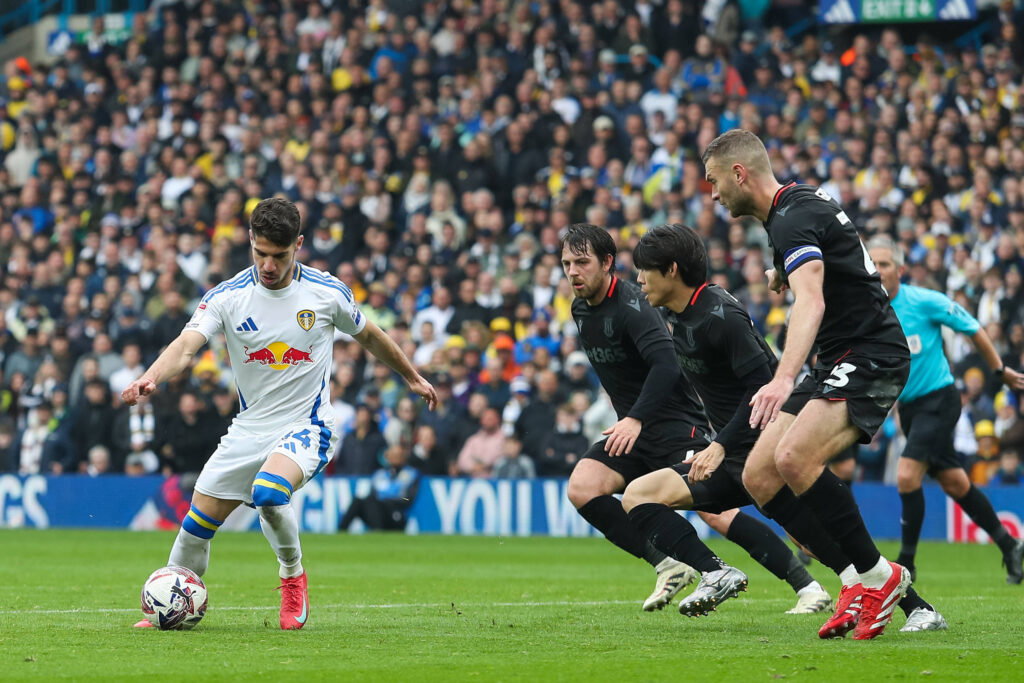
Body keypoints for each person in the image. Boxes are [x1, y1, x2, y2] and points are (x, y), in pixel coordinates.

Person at [122, 198, 437, 630]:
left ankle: (292, 576)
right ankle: (167, 609)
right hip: (248, 429)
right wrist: (151, 376)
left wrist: (412, 376)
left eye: (279, 255)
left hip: (307, 425)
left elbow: (370, 336)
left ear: (298, 245)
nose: (268, 265)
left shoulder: (326, 293)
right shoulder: (228, 296)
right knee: (195, 526)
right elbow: (186, 346)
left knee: (269, 492)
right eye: (261, 253)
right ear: (251, 240)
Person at [702, 129, 912, 640]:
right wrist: (780, 271)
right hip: (837, 357)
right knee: (759, 475)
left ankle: (880, 576)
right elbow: (820, 256)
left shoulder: (791, 220)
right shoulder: (795, 206)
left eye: (713, 181)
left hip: (870, 352)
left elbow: (812, 300)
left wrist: (781, 378)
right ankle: (855, 580)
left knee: (794, 457)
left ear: (739, 174)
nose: (712, 195)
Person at [622, 224, 833, 616]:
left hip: (767, 453)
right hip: (733, 454)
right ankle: (715, 572)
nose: (639, 279)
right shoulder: (679, 316)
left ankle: (910, 603)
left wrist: (719, 445)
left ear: (671, 270)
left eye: (644, 270)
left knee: (823, 544)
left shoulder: (720, 315)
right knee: (639, 495)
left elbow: (764, 387)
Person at [561, 223, 748, 613]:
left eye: (581, 262)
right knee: (583, 486)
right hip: (634, 431)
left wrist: (636, 418)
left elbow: (666, 365)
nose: (573, 272)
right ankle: (671, 565)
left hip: (673, 424)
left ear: (607, 262)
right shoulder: (580, 309)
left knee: (722, 510)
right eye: (566, 264)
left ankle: (805, 583)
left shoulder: (634, 304)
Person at [867, 236, 1024, 584]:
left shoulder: (924, 301)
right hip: (910, 409)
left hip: (939, 400)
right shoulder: (868, 311)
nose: (877, 271)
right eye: (872, 264)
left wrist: (999, 370)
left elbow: (973, 327)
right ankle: (1009, 543)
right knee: (955, 483)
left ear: (900, 270)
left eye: (885, 264)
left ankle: (906, 564)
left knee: (907, 475)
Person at [339, 441, 421, 531]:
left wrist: (388, 499)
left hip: (396, 513)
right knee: (358, 501)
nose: (395, 458)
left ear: (404, 457)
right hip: (377, 510)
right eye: (392, 455)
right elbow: (372, 496)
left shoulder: (410, 474)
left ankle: (377, 531)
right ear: (387, 456)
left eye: (398, 455)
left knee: (375, 503)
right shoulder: (379, 475)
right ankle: (341, 531)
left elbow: (408, 499)